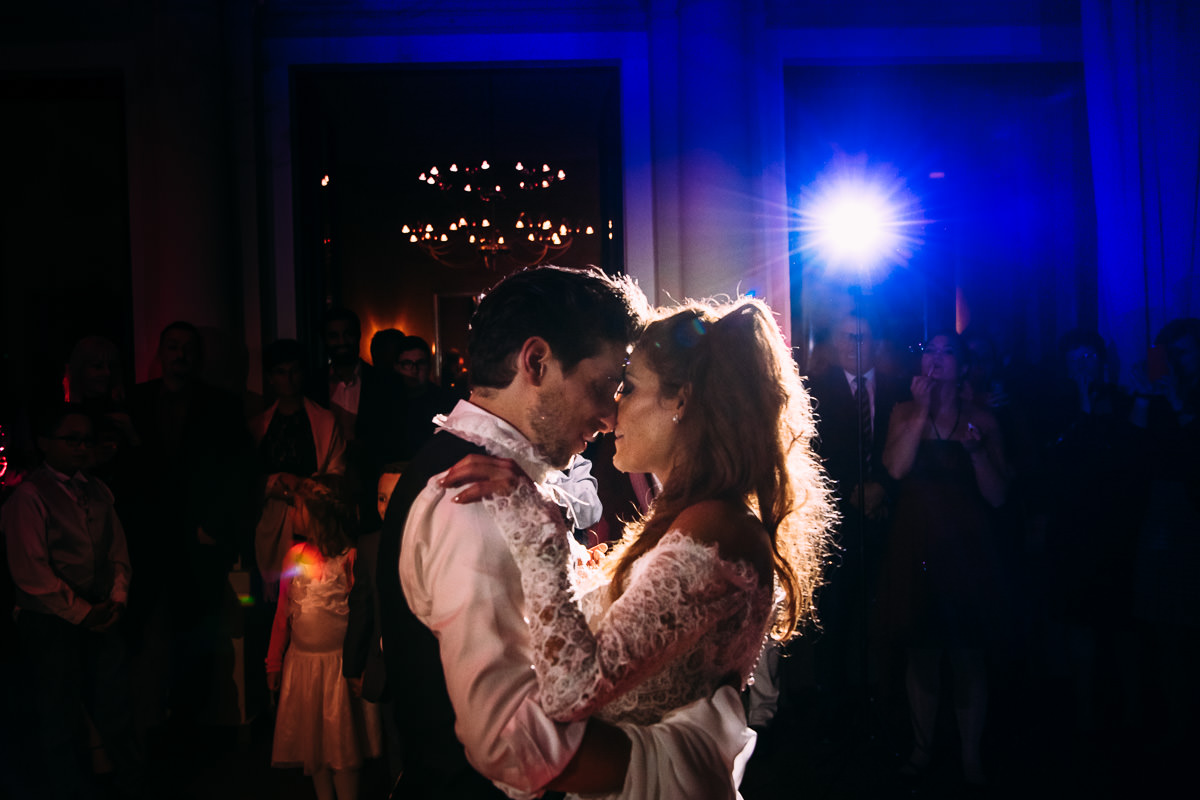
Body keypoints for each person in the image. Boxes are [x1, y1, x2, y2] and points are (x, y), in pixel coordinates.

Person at [383, 266, 784, 799]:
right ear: (536, 362)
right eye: (603, 387)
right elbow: (511, 744)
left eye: (624, 389)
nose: (608, 413)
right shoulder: (473, 499)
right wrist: (678, 759)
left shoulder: (505, 488)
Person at [880, 331, 1009, 787]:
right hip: (918, 543)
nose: (935, 359)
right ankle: (922, 747)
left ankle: (971, 756)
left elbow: (998, 496)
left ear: (962, 366)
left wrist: (975, 454)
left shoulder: (984, 419)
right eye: (929, 351)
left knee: (967, 654)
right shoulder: (902, 411)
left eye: (946, 352)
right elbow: (895, 469)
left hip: (967, 547)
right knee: (923, 651)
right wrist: (920, 413)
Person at [1, 402, 143, 799]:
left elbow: (118, 552)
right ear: (46, 443)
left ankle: (127, 782)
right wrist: (83, 612)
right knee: (59, 712)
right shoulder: (29, 497)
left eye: (88, 440)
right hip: (50, 620)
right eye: (72, 439)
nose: (83, 448)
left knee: (114, 705)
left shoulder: (96, 490)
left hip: (99, 611)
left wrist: (115, 599)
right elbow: (31, 572)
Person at [267, 474, 382, 800]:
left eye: (298, 508)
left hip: (337, 669)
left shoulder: (349, 558)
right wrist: (273, 661)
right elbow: (283, 613)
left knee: (341, 747)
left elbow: (363, 617)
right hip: (303, 667)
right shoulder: (294, 556)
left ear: (318, 515)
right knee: (313, 746)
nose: (292, 515)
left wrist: (362, 664)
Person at [250, 338, 348, 598]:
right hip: (271, 523)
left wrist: (302, 488)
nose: (289, 379)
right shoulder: (259, 425)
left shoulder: (324, 420)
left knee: (314, 594)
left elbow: (337, 473)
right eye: (281, 372)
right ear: (271, 377)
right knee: (275, 598)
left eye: (294, 371)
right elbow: (248, 479)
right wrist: (277, 484)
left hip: (315, 520)